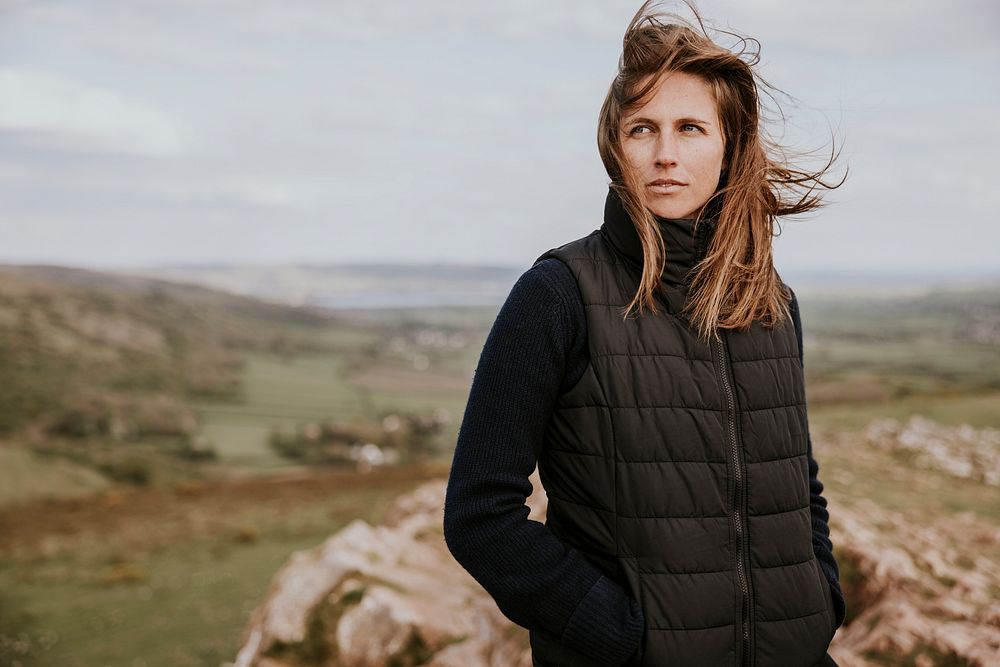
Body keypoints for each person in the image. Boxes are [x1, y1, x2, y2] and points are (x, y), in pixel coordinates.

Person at [443, 1, 847, 665]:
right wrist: (624, 636)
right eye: (642, 129)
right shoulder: (557, 295)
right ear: (616, 147)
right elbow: (479, 513)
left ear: (729, 145)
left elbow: (797, 485)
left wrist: (820, 599)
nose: (665, 154)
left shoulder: (773, 303)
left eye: (690, 127)